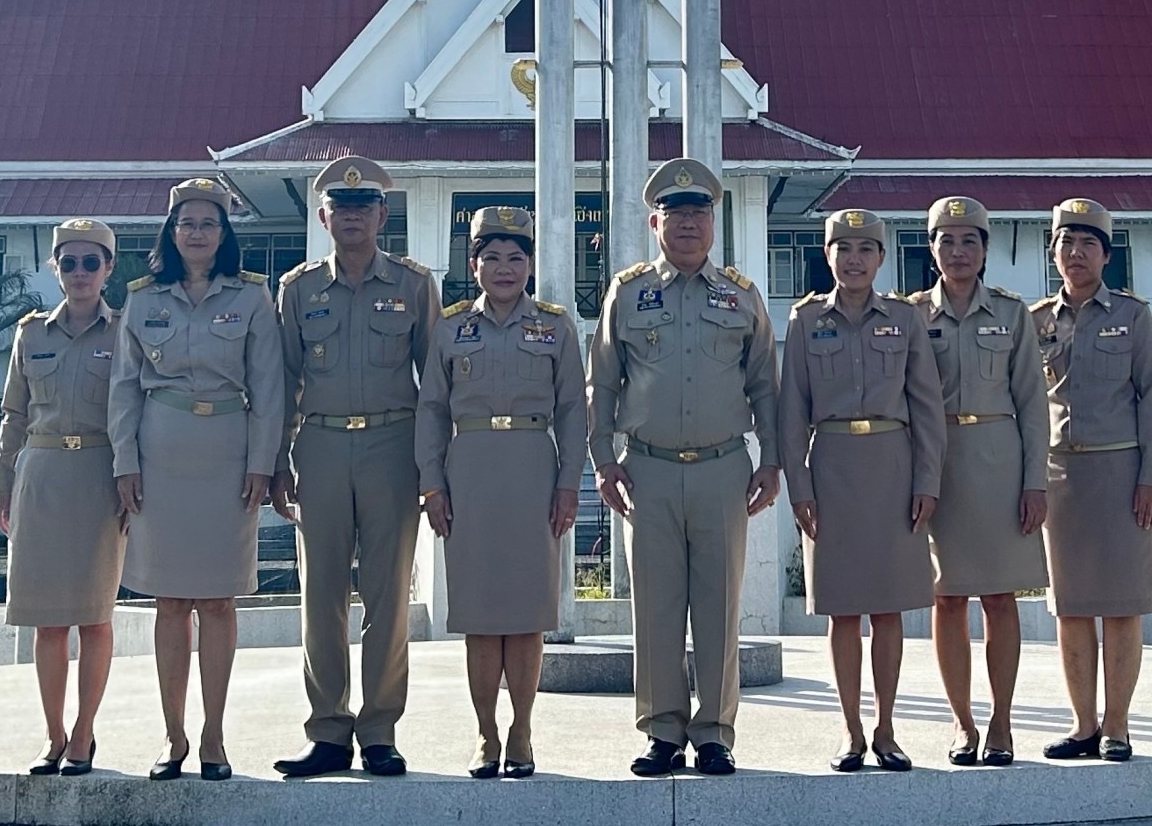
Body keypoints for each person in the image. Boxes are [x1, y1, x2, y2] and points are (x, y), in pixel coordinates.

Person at [589, 157, 780, 778]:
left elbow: (765, 388)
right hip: (647, 468)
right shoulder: (629, 290)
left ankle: (716, 731)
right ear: (655, 222)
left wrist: (771, 459)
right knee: (657, 607)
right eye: (676, 213)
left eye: (699, 212)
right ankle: (662, 730)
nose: (689, 223)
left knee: (720, 605)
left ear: (713, 221)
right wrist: (601, 460)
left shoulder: (742, 295)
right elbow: (604, 384)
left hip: (724, 468)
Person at [271, 156, 440, 779]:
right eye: (340, 208)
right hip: (318, 446)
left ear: (382, 215)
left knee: (388, 595)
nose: (351, 217)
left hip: (392, 447)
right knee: (320, 597)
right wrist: (277, 462)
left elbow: (435, 385)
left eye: (363, 207)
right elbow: (283, 382)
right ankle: (328, 732)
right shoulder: (298, 289)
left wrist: (431, 467)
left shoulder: (415, 285)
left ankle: (379, 730)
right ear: (323, 217)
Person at [110, 177, 282, 782]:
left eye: (209, 223)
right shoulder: (142, 298)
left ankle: (213, 734)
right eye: (187, 223)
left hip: (228, 456)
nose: (198, 233)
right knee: (169, 601)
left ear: (225, 232)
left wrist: (264, 461)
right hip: (160, 453)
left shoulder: (254, 298)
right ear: (171, 230)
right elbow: (124, 387)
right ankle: (172, 734)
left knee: (217, 599)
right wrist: (123, 462)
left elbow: (269, 387)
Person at [417, 205, 585, 779]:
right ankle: (486, 734)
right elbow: (432, 410)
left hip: (535, 469)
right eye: (492, 258)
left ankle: (522, 730)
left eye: (516, 258)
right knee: (481, 613)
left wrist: (569, 484)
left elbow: (572, 412)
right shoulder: (451, 326)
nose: (504, 268)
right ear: (474, 264)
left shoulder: (557, 327)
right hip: (470, 471)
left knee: (527, 612)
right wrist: (432, 484)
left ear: (531, 265)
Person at [778, 208, 944, 773]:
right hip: (832, 470)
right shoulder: (804, 320)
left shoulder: (905, 317)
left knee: (889, 609)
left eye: (865, 250)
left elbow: (927, 407)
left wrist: (928, 480)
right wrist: (798, 485)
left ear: (880, 258)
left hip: (893, 468)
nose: (853, 260)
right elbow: (791, 410)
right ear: (827, 256)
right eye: (842, 249)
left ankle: (888, 729)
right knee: (842, 611)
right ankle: (850, 731)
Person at [904, 194, 1047, 768]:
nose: (958, 251)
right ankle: (962, 722)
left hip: (998, 460)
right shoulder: (911, 314)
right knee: (946, 597)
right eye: (946, 240)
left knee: (999, 596)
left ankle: (1002, 721)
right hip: (935, 464)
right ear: (931, 248)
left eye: (969, 241)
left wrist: (1034, 480)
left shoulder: (1014, 314)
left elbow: (1034, 405)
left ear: (985, 250)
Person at [1032, 198, 1152, 763]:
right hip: (1061, 475)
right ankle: (1083, 724)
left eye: (1088, 243)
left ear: (1106, 255)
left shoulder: (1133, 317)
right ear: (1054, 253)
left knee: (1122, 606)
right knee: (1071, 605)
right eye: (1067, 243)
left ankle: (1117, 726)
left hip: (1121, 475)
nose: (1076, 253)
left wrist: (1150, 478)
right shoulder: (1036, 320)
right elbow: (1024, 404)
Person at [0, 218, 128, 777]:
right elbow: (14, 415)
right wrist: (3, 486)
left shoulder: (125, 332)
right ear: (55, 269)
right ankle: (52, 735)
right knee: (47, 621)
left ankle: (84, 734)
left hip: (100, 475)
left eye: (90, 263)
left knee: (95, 617)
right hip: (43, 476)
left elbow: (134, 415)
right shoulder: (31, 334)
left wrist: (132, 480)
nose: (79, 273)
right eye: (68, 263)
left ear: (108, 269)